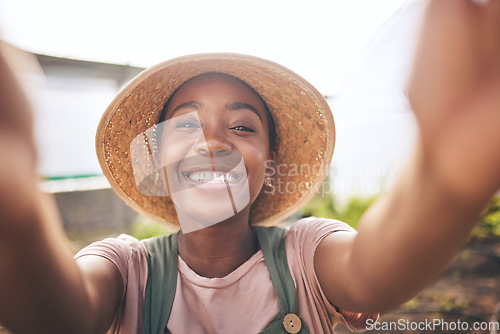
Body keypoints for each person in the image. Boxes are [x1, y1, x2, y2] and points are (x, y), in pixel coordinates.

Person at [1, 0, 499, 333]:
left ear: (270, 163)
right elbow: (56, 312)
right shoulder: (126, 270)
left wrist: (445, 181)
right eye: (186, 125)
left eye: (242, 127)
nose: (214, 141)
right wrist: (19, 213)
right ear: (155, 160)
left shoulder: (306, 255)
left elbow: (374, 268)